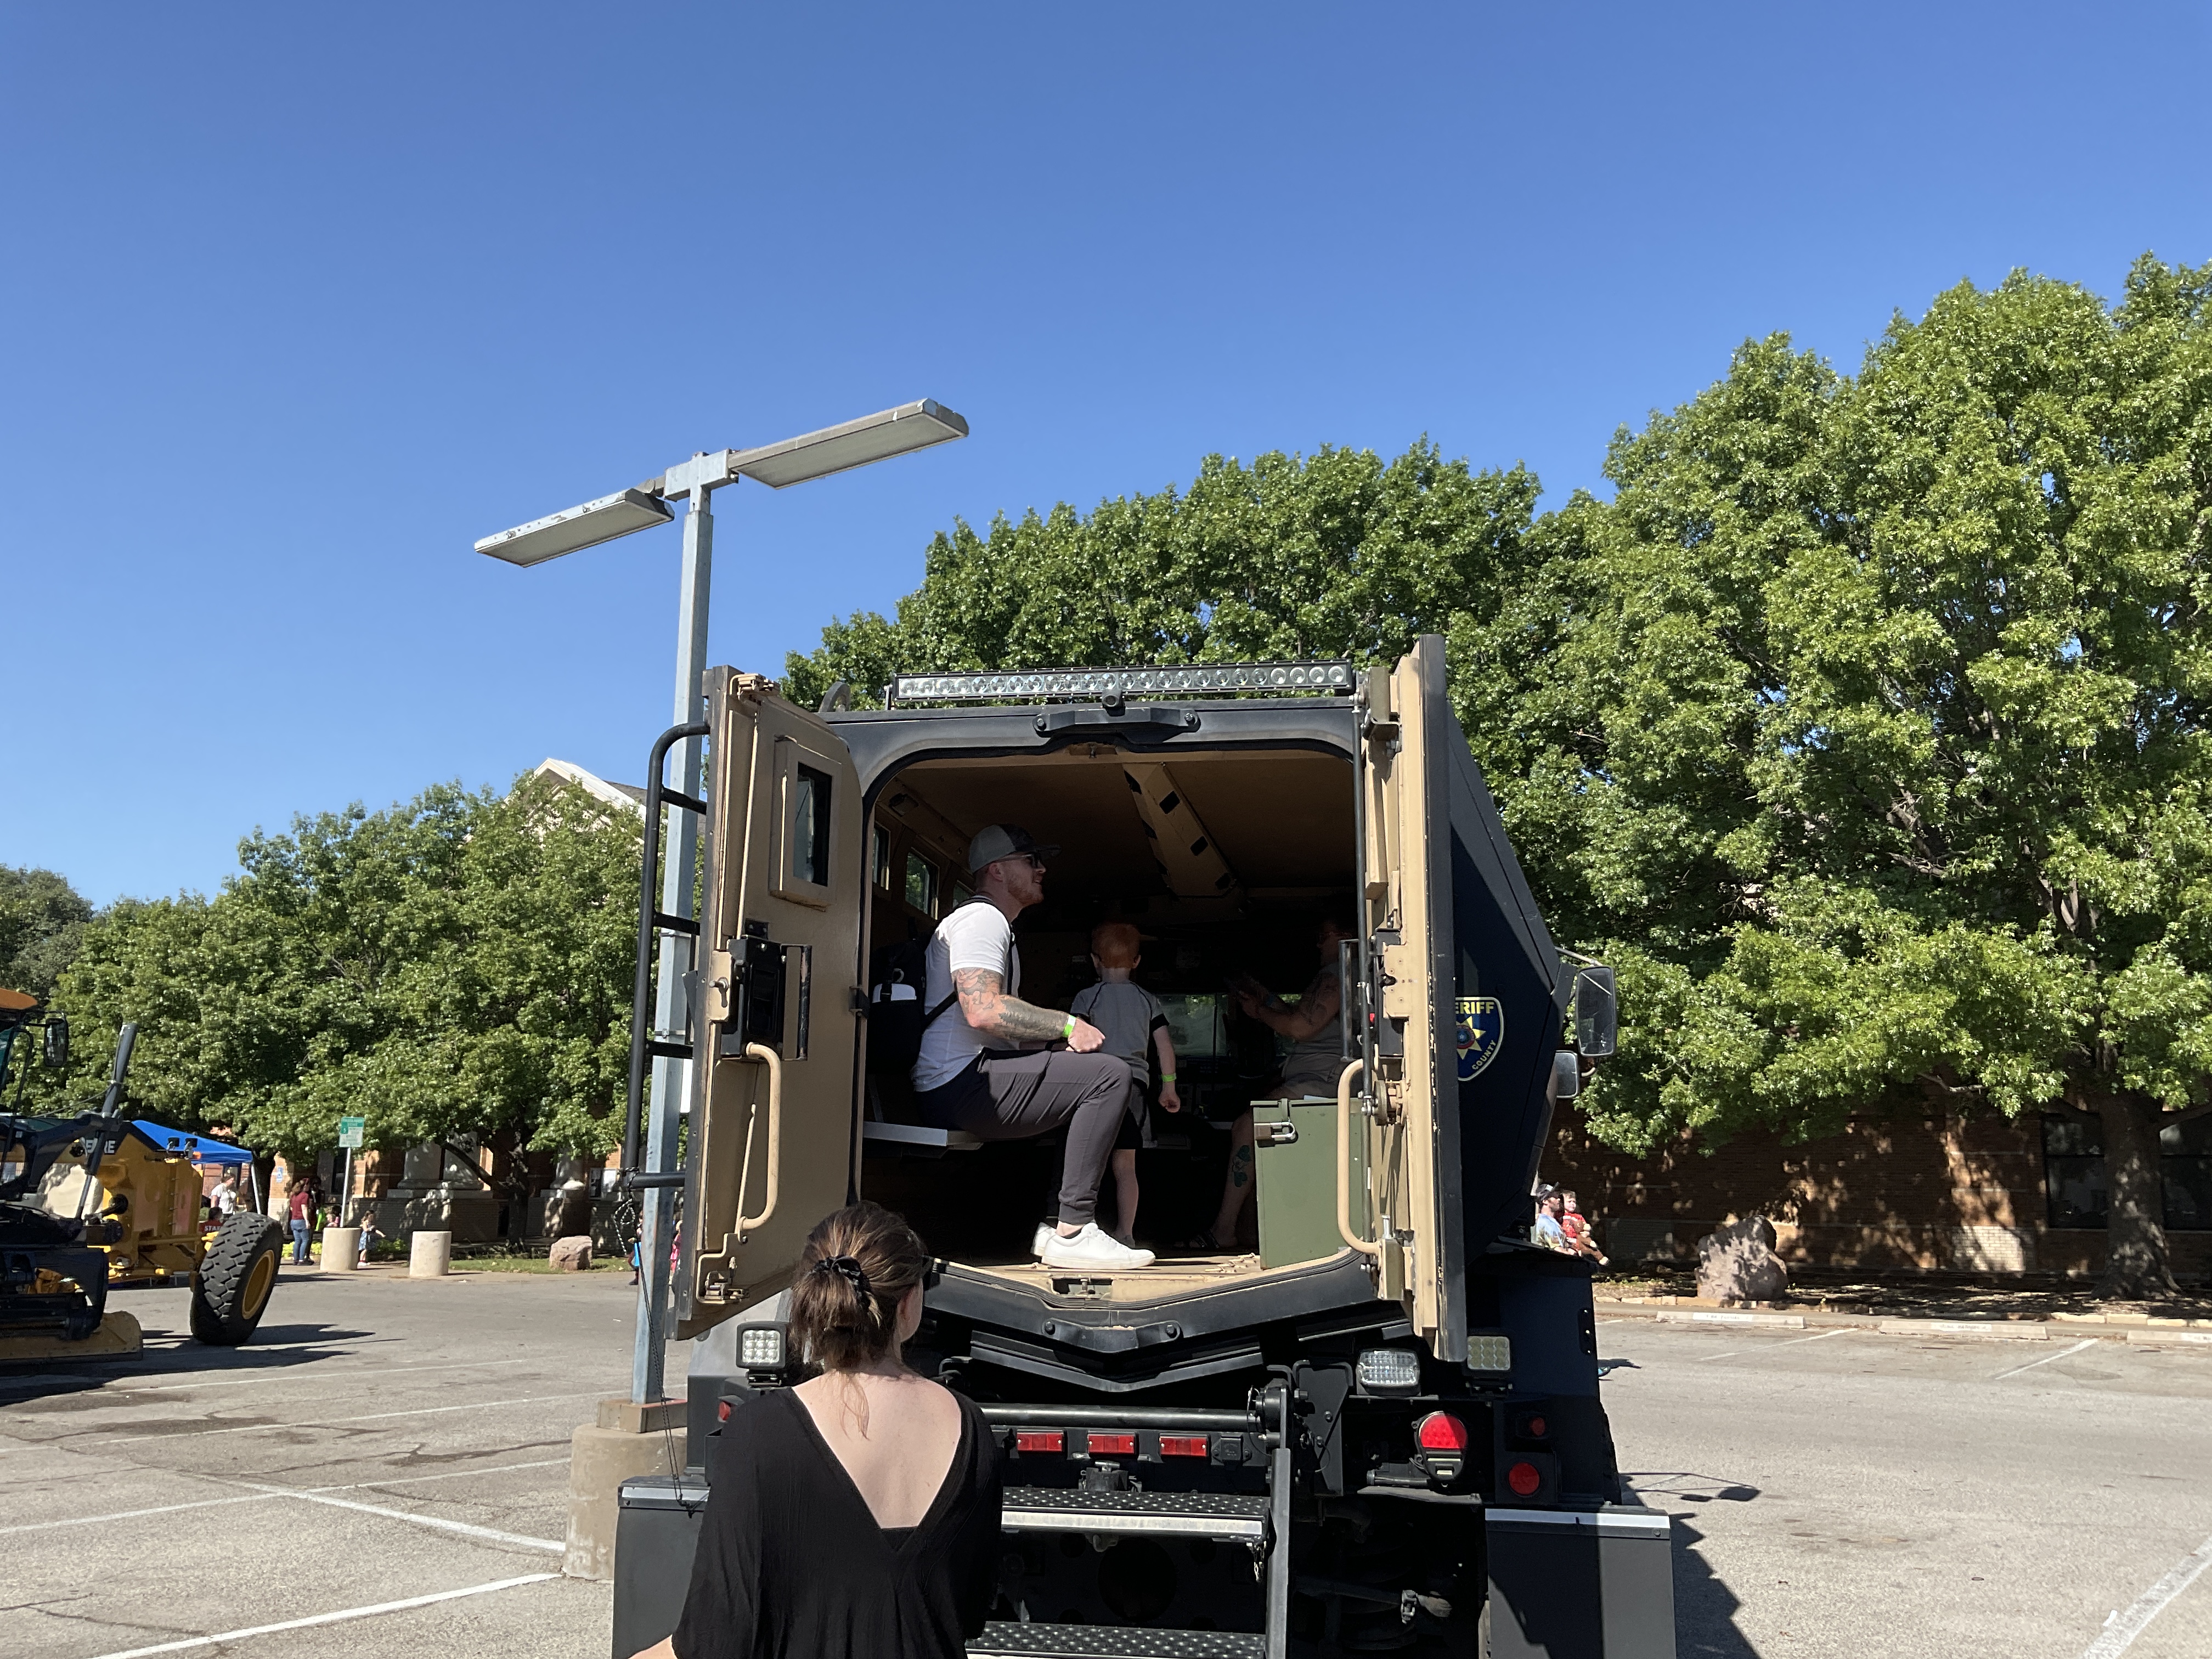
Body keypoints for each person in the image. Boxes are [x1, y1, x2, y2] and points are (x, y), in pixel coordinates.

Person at [637, 1202, 1003, 1659]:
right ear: (909, 1303)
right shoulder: (971, 1428)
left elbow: (716, 1637)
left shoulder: (759, 1434)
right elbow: (968, 1612)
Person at [910, 825, 1153, 1271]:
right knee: (1110, 1075)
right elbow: (983, 1010)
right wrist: (1068, 1025)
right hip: (959, 1083)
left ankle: (1056, 1225)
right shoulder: (981, 920)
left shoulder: (998, 928)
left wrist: (1059, 1044)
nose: (1041, 870)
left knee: (1085, 1073)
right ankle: (1074, 1231)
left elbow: (1007, 1032)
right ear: (997, 871)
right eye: (1030, 861)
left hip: (967, 1078)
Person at [1183, 913, 1353, 1253]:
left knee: (1247, 1126)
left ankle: (1224, 1230)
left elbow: (1301, 1027)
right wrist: (1261, 998)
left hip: (1322, 1082)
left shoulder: (1336, 975)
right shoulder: (1336, 976)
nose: (1318, 944)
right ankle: (1246, 1234)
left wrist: (1260, 1013)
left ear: (1343, 935)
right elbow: (1298, 1015)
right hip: (1311, 1080)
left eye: (1324, 935)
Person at [1066, 922, 1182, 1248]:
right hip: (1134, 1089)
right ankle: (1126, 1234)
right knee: (1126, 1166)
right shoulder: (1148, 1000)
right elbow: (1164, 1047)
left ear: (1095, 960)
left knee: (1088, 1160)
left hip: (1095, 1088)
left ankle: (1077, 1228)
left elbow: (1074, 1042)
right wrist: (1169, 1086)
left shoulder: (1087, 998)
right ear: (1137, 961)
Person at [1561, 1190, 1609, 1266]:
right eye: (1569, 1202)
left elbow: (1585, 1227)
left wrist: (1586, 1232)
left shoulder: (1578, 1217)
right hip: (1565, 1241)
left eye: (1574, 1202)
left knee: (1590, 1248)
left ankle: (1600, 1258)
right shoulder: (1559, 1215)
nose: (1573, 1204)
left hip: (1577, 1240)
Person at [1532, 1186, 1571, 1252]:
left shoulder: (1544, 1220)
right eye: (1554, 1197)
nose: (1559, 1199)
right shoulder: (1548, 1223)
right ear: (1545, 1201)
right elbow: (1558, 1251)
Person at [287, 1177, 313, 1265]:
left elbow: (291, 1208)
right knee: (305, 1240)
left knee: (297, 1240)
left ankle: (296, 1259)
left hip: (293, 1221)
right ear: (305, 1186)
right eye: (308, 1185)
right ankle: (302, 1259)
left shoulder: (293, 1196)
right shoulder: (304, 1195)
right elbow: (304, 1208)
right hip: (301, 1220)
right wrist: (307, 1221)